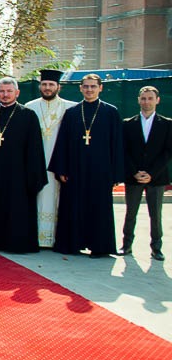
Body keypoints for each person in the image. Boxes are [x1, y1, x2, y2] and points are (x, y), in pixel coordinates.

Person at [49, 74, 124, 257]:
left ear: (100, 88)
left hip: (101, 171)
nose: (89, 90)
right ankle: (73, 244)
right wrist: (62, 168)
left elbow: (117, 144)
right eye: (86, 86)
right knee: (73, 207)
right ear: (80, 88)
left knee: (99, 208)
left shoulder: (111, 112)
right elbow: (63, 142)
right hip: (75, 170)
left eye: (93, 86)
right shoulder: (73, 113)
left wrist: (116, 174)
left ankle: (99, 247)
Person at [0, 77, 47, 253]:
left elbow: (34, 149)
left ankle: (16, 243)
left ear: (17, 93)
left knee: (18, 209)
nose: (5, 95)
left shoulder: (28, 116)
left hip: (19, 174)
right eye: (2, 91)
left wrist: (32, 176)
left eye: (9, 91)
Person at [25, 69, 76, 249]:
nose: (47, 88)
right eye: (44, 84)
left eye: (51, 85)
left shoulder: (71, 108)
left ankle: (57, 238)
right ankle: (35, 236)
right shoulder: (29, 107)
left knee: (59, 198)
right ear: (40, 86)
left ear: (58, 87)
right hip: (36, 161)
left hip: (59, 160)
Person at [121, 86, 172, 261]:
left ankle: (156, 248)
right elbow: (124, 150)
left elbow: (168, 152)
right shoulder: (128, 123)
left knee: (155, 214)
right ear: (138, 100)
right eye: (143, 98)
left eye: (150, 98)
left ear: (157, 100)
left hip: (156, 178)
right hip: (133, 177)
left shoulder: (167, 124)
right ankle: (126, 245)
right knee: (130, 213)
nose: (146, 102)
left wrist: (151, 173)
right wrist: (135, 172)